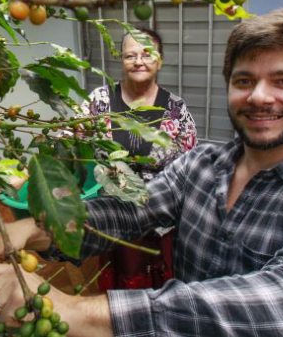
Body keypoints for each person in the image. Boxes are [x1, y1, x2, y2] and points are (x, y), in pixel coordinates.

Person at [0, 5, 283, 336]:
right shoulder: (200, 166)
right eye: (244, 80)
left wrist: (75, 310)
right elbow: (129, 213)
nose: (260, 96)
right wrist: (38, 229)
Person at [80, 28, 197, 291]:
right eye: (130, 55)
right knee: (119, 278)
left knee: (158, 281)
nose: (138, 61)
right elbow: (68, 141)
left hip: (159, 216)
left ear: (160, 60)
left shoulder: (175, 109)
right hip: (112, 212)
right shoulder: (99, 101)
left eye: (147, 54)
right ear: (121, 60)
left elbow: (190, 165)